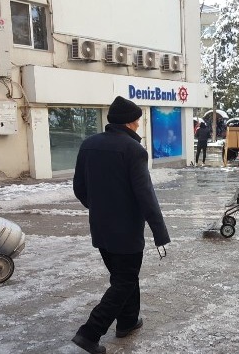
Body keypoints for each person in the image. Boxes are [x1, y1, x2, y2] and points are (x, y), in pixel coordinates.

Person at [72, 96, 171, 354]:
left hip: (101, 228)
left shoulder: (88, 145)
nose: (138, 126)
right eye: (137, 122)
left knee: (123, 277)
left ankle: (127, 321)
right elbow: (145, 195)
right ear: (129, 123)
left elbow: (79, 188)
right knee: (124, 281)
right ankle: (90, 332)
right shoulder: (133, 150)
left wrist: (99, 209)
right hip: (126, 231)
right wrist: (160, 233)